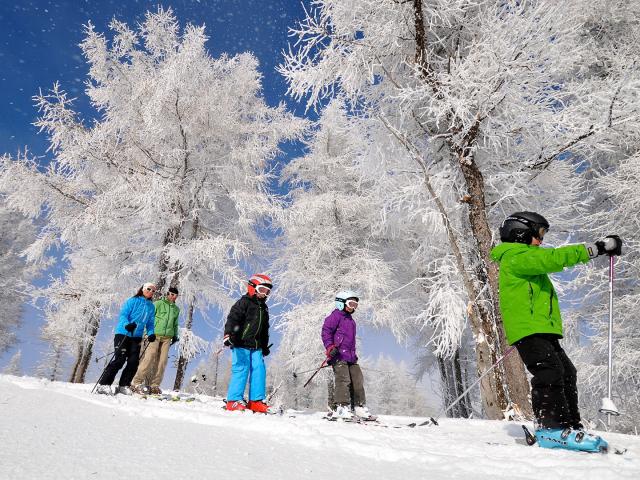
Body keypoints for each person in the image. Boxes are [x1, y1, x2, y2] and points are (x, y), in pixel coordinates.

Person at [490, 211, 621, 452]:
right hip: (529, 329)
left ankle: (570, 427)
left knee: (566, 371)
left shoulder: (524, 258)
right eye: (538, 234)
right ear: (521, 234)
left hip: (542, 329)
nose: (541, 241)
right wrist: (596, 248)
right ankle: (550, 429)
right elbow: (552, 258)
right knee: (549, 371)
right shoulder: (515, 256)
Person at [223, 273, 273, 413]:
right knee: (241, 368)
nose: (265, 294)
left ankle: (255, 401)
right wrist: (229, 334)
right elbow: (233, 319)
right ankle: (233, 400)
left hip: (256, 346)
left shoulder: (264, 308)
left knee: (259, 370)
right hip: (240, 342)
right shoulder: (243, 302)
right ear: (252, 287)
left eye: (267, 291)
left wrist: (264, 346)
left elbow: (264, 329)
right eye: (262, 289)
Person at [96, 282, 157, 395]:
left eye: (154, 291)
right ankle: (104, 385)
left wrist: (151, 333)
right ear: (143, 289)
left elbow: (150, 323)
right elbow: (123, 314)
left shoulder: (151, 307)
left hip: (136, 337)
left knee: (133, 362)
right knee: (120, 359)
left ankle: (123, 385)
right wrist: (126, 324)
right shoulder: (133, 301)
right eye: (149, 289)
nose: (151, 292)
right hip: (123, 333)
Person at [321, 290, 373, 420]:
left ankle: (359, 407)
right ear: (341, 303)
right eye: (350, 304)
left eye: (355, 305)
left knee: (358, 379)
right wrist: (330, 347)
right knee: (343, 380)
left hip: (350, 357)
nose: (353, 307)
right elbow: (326, 332)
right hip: (338, 355)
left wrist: (353, 355)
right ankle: (341, 407)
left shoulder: (351, 321)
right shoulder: (335, 316)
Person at [131, 286, 180, 395]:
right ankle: (136, 382)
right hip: (155, 335)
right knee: (149, 357)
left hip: (167, 337)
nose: (173, 297)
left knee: (162, 362)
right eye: (172, 294)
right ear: (167, 294)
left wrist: (175, 335)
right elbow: (149, 318)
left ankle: (155, 385)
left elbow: (175, 324)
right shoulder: (158, 304)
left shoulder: (176, 309)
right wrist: (148, 333)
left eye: (175, 295)